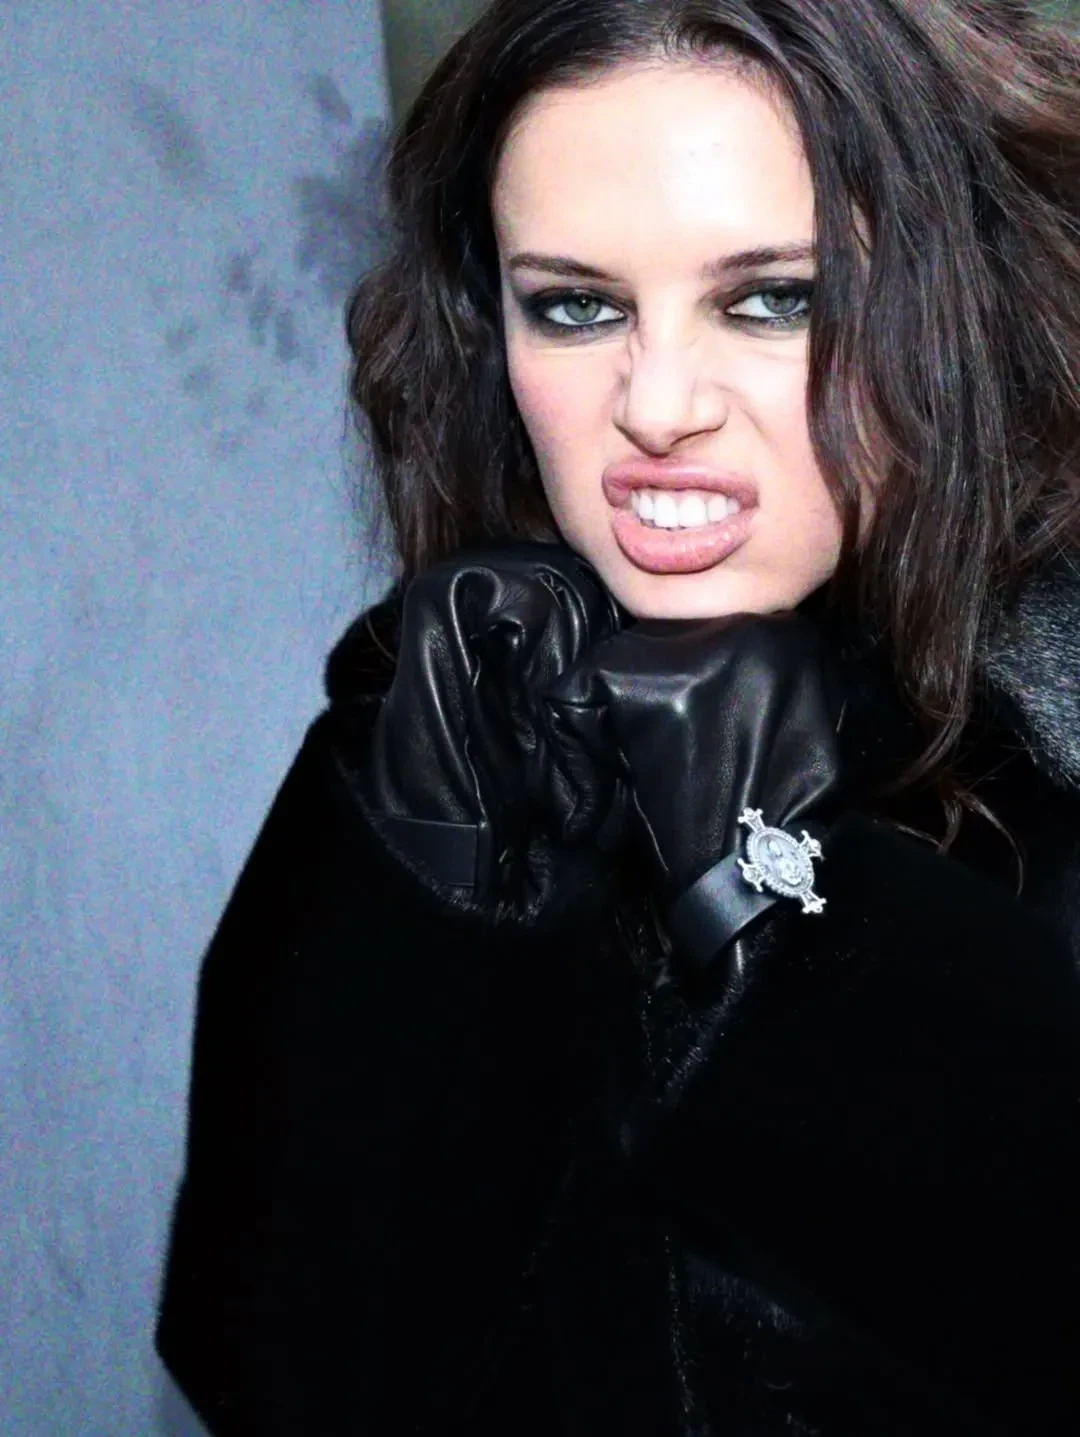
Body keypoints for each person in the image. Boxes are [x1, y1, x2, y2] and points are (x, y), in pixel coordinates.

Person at [155, 1, 1080, 1432]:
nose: (656, 406)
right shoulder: (447, 723)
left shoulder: (1054, 736)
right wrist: (431, 913)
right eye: (577, 306)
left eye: (773, 299)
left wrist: (799, 907)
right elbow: (291, 1386)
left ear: (953, 302)